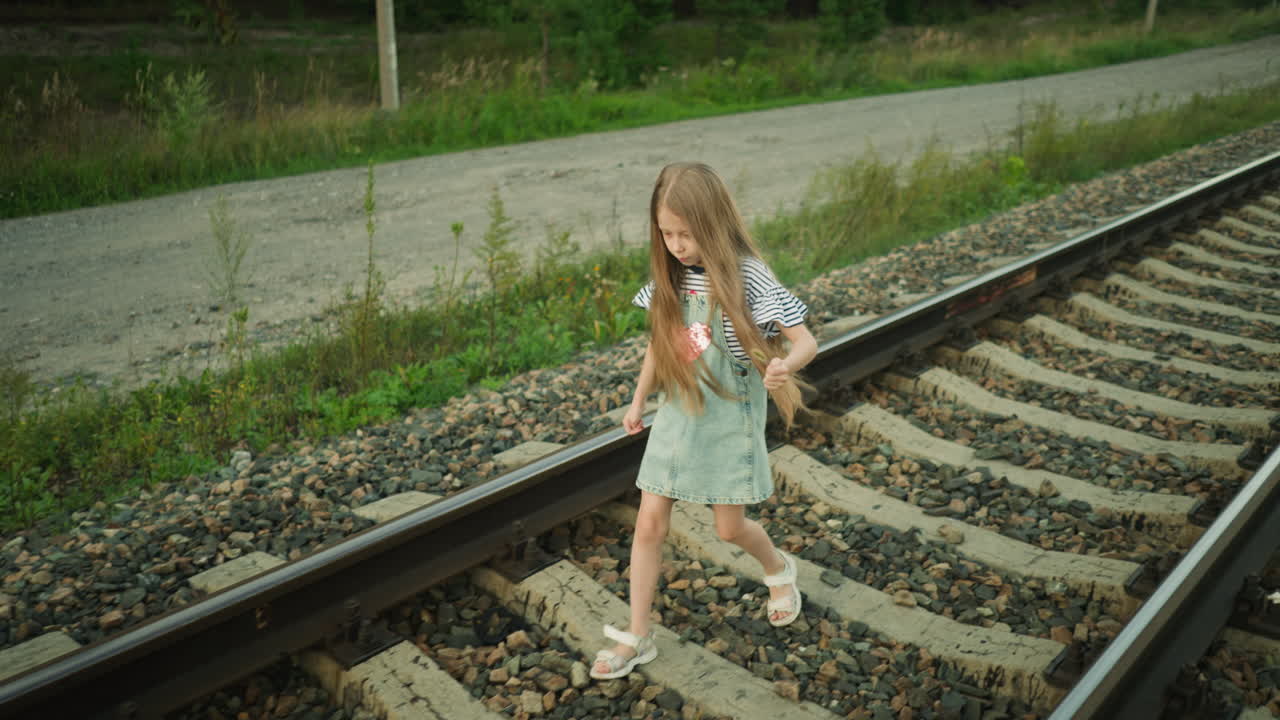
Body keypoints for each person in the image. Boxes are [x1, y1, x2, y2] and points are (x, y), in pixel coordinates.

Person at [590, 162, 819, 680]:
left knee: (728, 526)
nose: (676, 245)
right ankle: (638, 632)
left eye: (686, 234)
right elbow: (663, 342)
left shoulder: (748, 273)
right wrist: (638, 399)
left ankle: (778, 569)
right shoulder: (671, 272)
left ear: (712, 224)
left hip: (730, 410)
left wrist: (786, 363)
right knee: (649, 522)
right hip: (679, 406)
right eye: (666, 234)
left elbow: (805, 339)